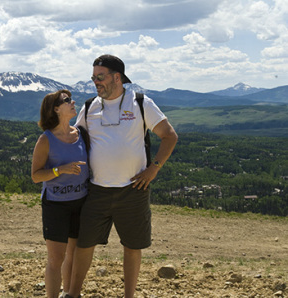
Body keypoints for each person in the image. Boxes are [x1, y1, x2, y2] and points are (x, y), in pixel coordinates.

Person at [66, 55, 178, 298]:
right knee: (84, 244)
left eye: (100, 77)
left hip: (133, 190)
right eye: (93, 77)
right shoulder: (89, 106)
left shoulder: (140, 103)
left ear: (117, 77)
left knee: (132, 246)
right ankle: (73, 294)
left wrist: (154, 168)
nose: (96, 82)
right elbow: (75, 141)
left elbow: (169, 135)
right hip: (96, 190)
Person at [31, 89, 90, 298]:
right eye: (67, 101)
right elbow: (36, 176)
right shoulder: (46, 140)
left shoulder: (80, 134)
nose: (73, 102)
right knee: (56, 259)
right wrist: (60, 170)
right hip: (56, 204)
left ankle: (68, 294)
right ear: (56, 109)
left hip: (80, 202)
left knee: (72, 255)